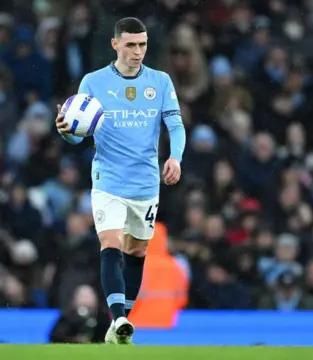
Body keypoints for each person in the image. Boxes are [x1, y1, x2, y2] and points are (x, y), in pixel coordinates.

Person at [55, 17, 186, 344]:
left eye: (142, 44)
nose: (138, 51)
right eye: (130, 45)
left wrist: (175, 157)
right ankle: (119, 319)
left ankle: (118, 325)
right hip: (108, 179)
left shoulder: (161, 81)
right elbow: (78, 133)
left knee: (137, 251)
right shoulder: (94, 82)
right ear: (115, 44)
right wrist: (65, 132)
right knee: (111, 244)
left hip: (146, 183)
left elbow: (176, 126)